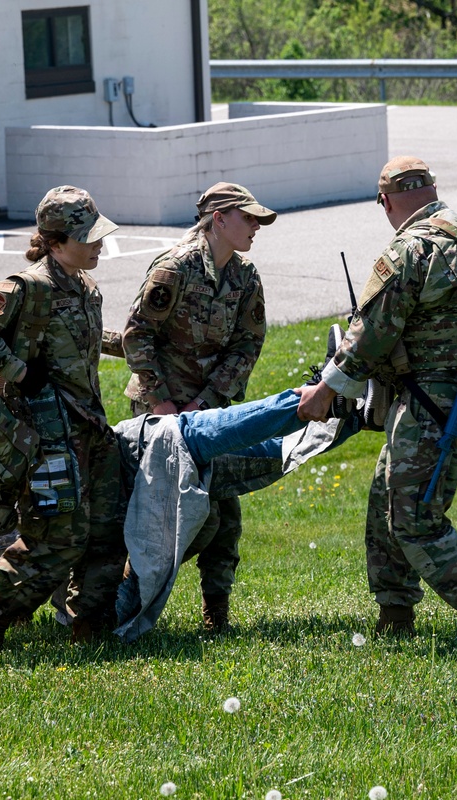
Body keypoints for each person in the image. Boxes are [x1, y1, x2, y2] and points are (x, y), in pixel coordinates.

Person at [295, 156, 457, 650]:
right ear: (433, 188)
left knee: (415, 521)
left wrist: (326, 390)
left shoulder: (410, 249)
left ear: (386, 202)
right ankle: (395, 618)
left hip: (427, 405)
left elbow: (372, 331)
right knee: (385, 505)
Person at [0, 387, 362, 643]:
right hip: (138, 463)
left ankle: (345, 408)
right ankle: (333, 401)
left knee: (257, 458)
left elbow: (27, 552)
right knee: (246, 451)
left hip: (131, 467)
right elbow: (25, 547)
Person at [0, 185, 125, 653]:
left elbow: (81, 340)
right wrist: (18, 372)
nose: (98, 244)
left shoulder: (84, 284)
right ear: (53, 241)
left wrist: (126, 344)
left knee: (107, 532)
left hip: (91, 430)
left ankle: (90, 625)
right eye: (86, 236)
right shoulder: (28, 287)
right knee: (57, 541)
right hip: (49, 437)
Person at [121, 181, 276, 632]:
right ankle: (125, 599)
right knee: (165, 514)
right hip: (161, 412)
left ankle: (216, 614)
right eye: (249, 218)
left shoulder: (245, 276)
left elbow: (249, 344)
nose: (255, 228)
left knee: (224, 514)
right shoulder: (176, 267)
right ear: (220, 218)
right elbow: (137, 334)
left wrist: (205, 401)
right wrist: (164, 402)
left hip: (210, 412)